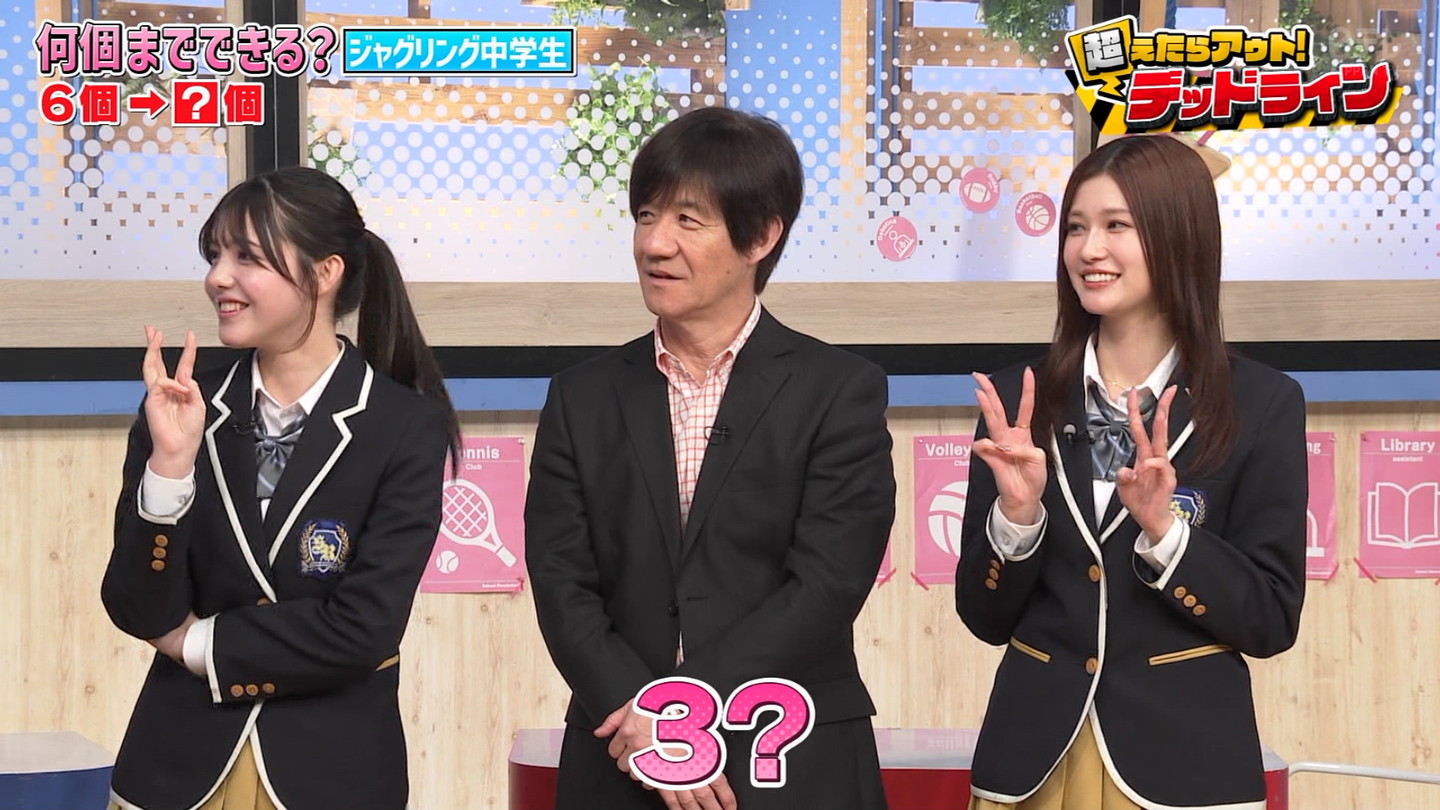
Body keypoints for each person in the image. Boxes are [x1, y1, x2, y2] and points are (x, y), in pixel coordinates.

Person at [525, 106, 897, 810]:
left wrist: (676, 715)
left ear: (761, 236)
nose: (654, 243)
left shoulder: (838, 391)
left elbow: (825, 585)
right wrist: (642, 720)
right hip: (620, 751)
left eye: (686, 221)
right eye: (645, 216)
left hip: (786, 749)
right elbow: (560, 580)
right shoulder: (582, 397)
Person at [955, 134, 1307, 810]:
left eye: (1117, 226)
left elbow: (1270, 620)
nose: (1089, 249)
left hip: (1185, 769)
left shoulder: (1261, 403)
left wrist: (1166, 534)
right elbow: (984, 615)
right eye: (1076, 227)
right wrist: (1017, 519)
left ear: (1180, 235)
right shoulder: (1018, 400)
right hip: (1029, 764)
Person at [101, 166, 461, 810]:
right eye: (215, 256)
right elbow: (135, 604)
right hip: (176, 768)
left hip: (332, 773)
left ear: (325, 273)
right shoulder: (183, 407)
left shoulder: (403, 426)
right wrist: (171, 466)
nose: (218, 277)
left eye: (248, 257)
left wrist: (196, 643)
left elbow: (364, 629)